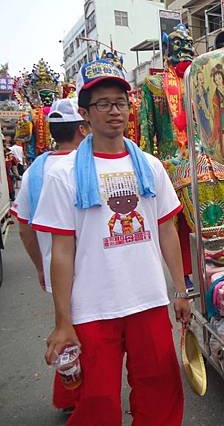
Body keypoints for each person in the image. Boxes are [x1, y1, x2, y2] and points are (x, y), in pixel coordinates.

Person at [32, 59, 190, 426]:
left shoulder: (150, 166)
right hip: (92, 308)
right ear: (85, 114)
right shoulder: (63, 174)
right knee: (98, 400)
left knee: (161, 390)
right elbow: (62, 250)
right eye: (102, 103)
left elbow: (167, 229)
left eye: (119, 101)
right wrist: (62, 321)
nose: (113, 110)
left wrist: (181, 290)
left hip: (148, 300)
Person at [10, 98, 88, 413]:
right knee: (90, 337)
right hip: (94, 269)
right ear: (82, 129)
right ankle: (83, 399)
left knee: (68, 330)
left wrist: (42, 267)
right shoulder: (88, 163)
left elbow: (24, 228)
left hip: (58, 271)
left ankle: (72, 396)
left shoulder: (35, 171)